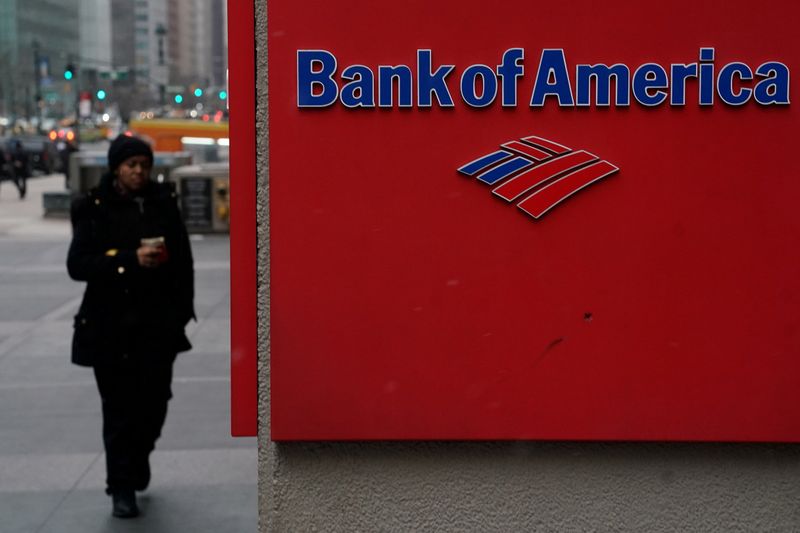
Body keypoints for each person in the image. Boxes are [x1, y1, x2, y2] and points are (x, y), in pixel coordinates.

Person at [67, 134, 195, 518]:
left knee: (155, 404)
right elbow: (79, 265)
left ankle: (139, 459)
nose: (139, 172)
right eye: (131, 165)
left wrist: (183, 310)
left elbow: (183, 260)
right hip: (110, 328)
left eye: (144, 165)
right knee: (119, 411)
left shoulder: (162, 202)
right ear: (116, 168)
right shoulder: (92, 206)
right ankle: (120, 486)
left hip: (158, 327)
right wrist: (128, 259)